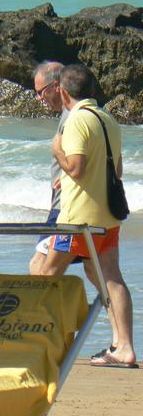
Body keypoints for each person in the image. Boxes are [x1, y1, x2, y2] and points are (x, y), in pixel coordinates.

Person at [39, 64, 137, 368]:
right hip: (107, 216)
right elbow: (115, 170)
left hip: (77, 219)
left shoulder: (77, 120)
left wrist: (58, 153)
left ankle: (36, 345)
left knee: (44, 276)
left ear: (63, 92)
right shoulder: (109, 119)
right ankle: (125, 348)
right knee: (111, 278)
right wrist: (67, 176)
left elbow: (77, 167)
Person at [29, 61, 67, 275]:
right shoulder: (79, 114)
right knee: (100, 271)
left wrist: (68, 177)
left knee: (40, 267)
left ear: (56, 86)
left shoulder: (73, 116)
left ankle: (38, 310)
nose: (40, 99)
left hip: (65, 209)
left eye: (41, 92)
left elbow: (78, 163)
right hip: (73, 206)